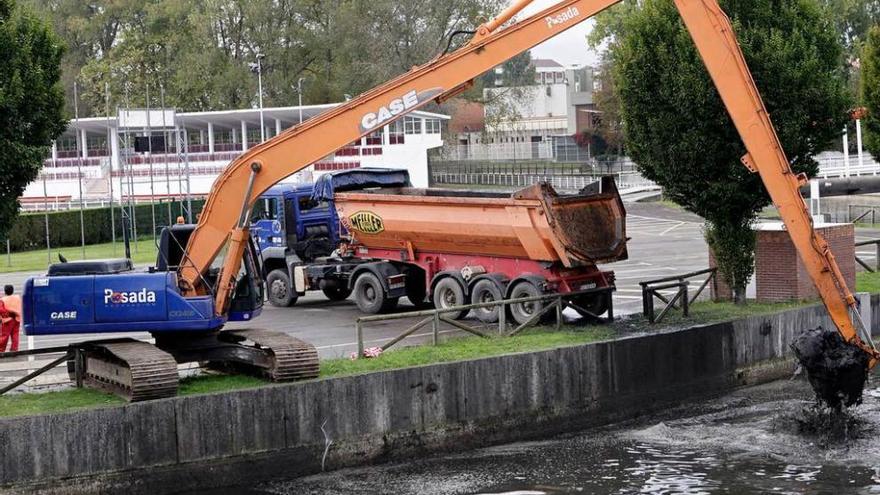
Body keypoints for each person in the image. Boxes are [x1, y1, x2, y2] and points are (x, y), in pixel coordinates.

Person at [0, 285, 22, 353]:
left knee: (4, 336)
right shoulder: (18, 298)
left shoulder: (3, 299)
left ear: (5, 291)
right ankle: (14, 349)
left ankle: (1, 350)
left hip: (8, 320)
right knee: (15, 335)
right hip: (17, 319)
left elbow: (1, 310)